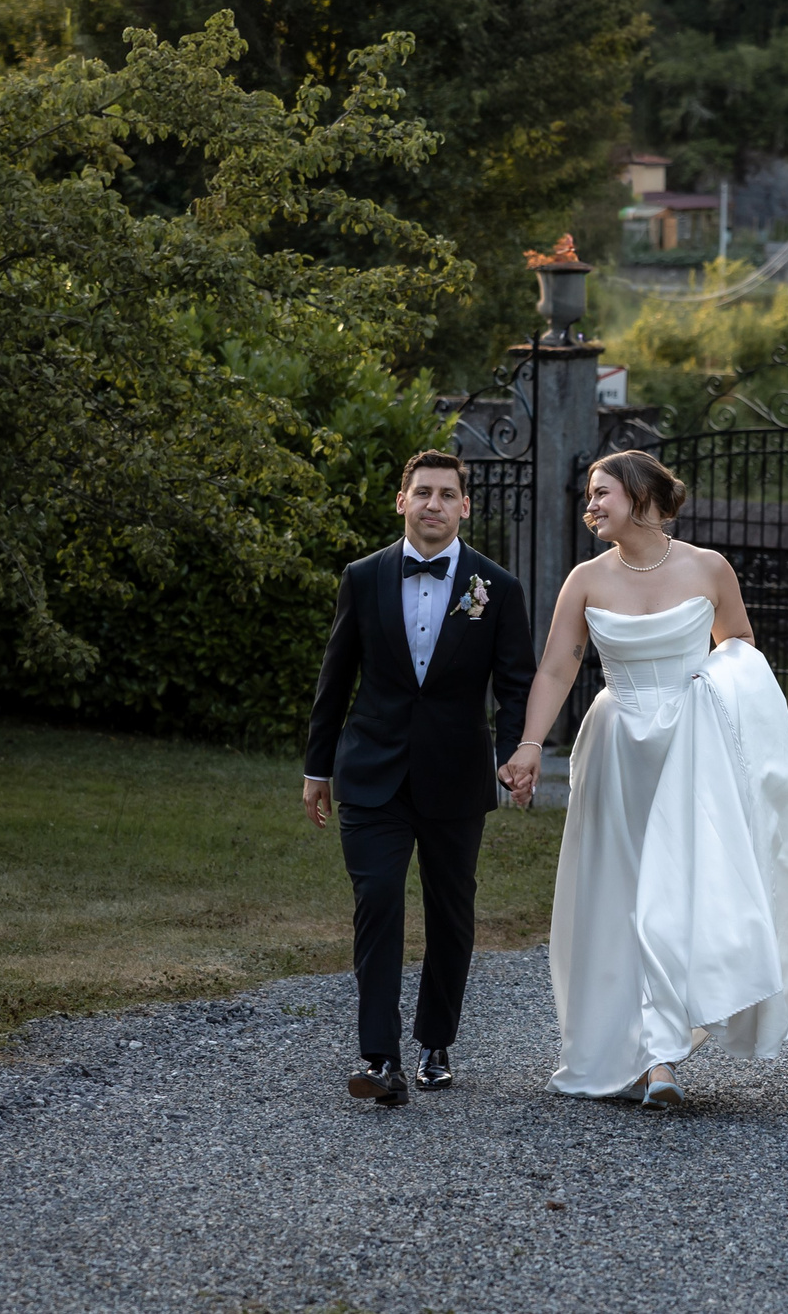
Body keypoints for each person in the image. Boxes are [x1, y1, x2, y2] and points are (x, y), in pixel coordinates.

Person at [515, 449, 788, 1108]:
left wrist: (715, 702)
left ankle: (661, 1054)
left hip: (692, 750)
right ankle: (649, 1058)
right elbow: (556, 670)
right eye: (589, 496)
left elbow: (738, 647)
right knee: (626, 898)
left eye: (601, 493)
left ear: (641, 496)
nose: (590, 505)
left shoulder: (709, 569)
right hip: (620, 751)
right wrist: (532, 743)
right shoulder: (586, 580)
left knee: (676, 894)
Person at [302, 449, 538, 1107]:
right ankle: (380, 1057)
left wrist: (519, 749)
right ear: (400, 501)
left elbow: (516, 680)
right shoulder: (364, 576)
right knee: (377, 900)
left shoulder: (495, 588)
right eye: (422, 492)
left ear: (465, 506)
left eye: (447, 494)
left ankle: (437, 1040)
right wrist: (317, 767)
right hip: (371, 771)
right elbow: (335, 676)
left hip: (456, 775)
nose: (433, 503)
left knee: (451, 911)